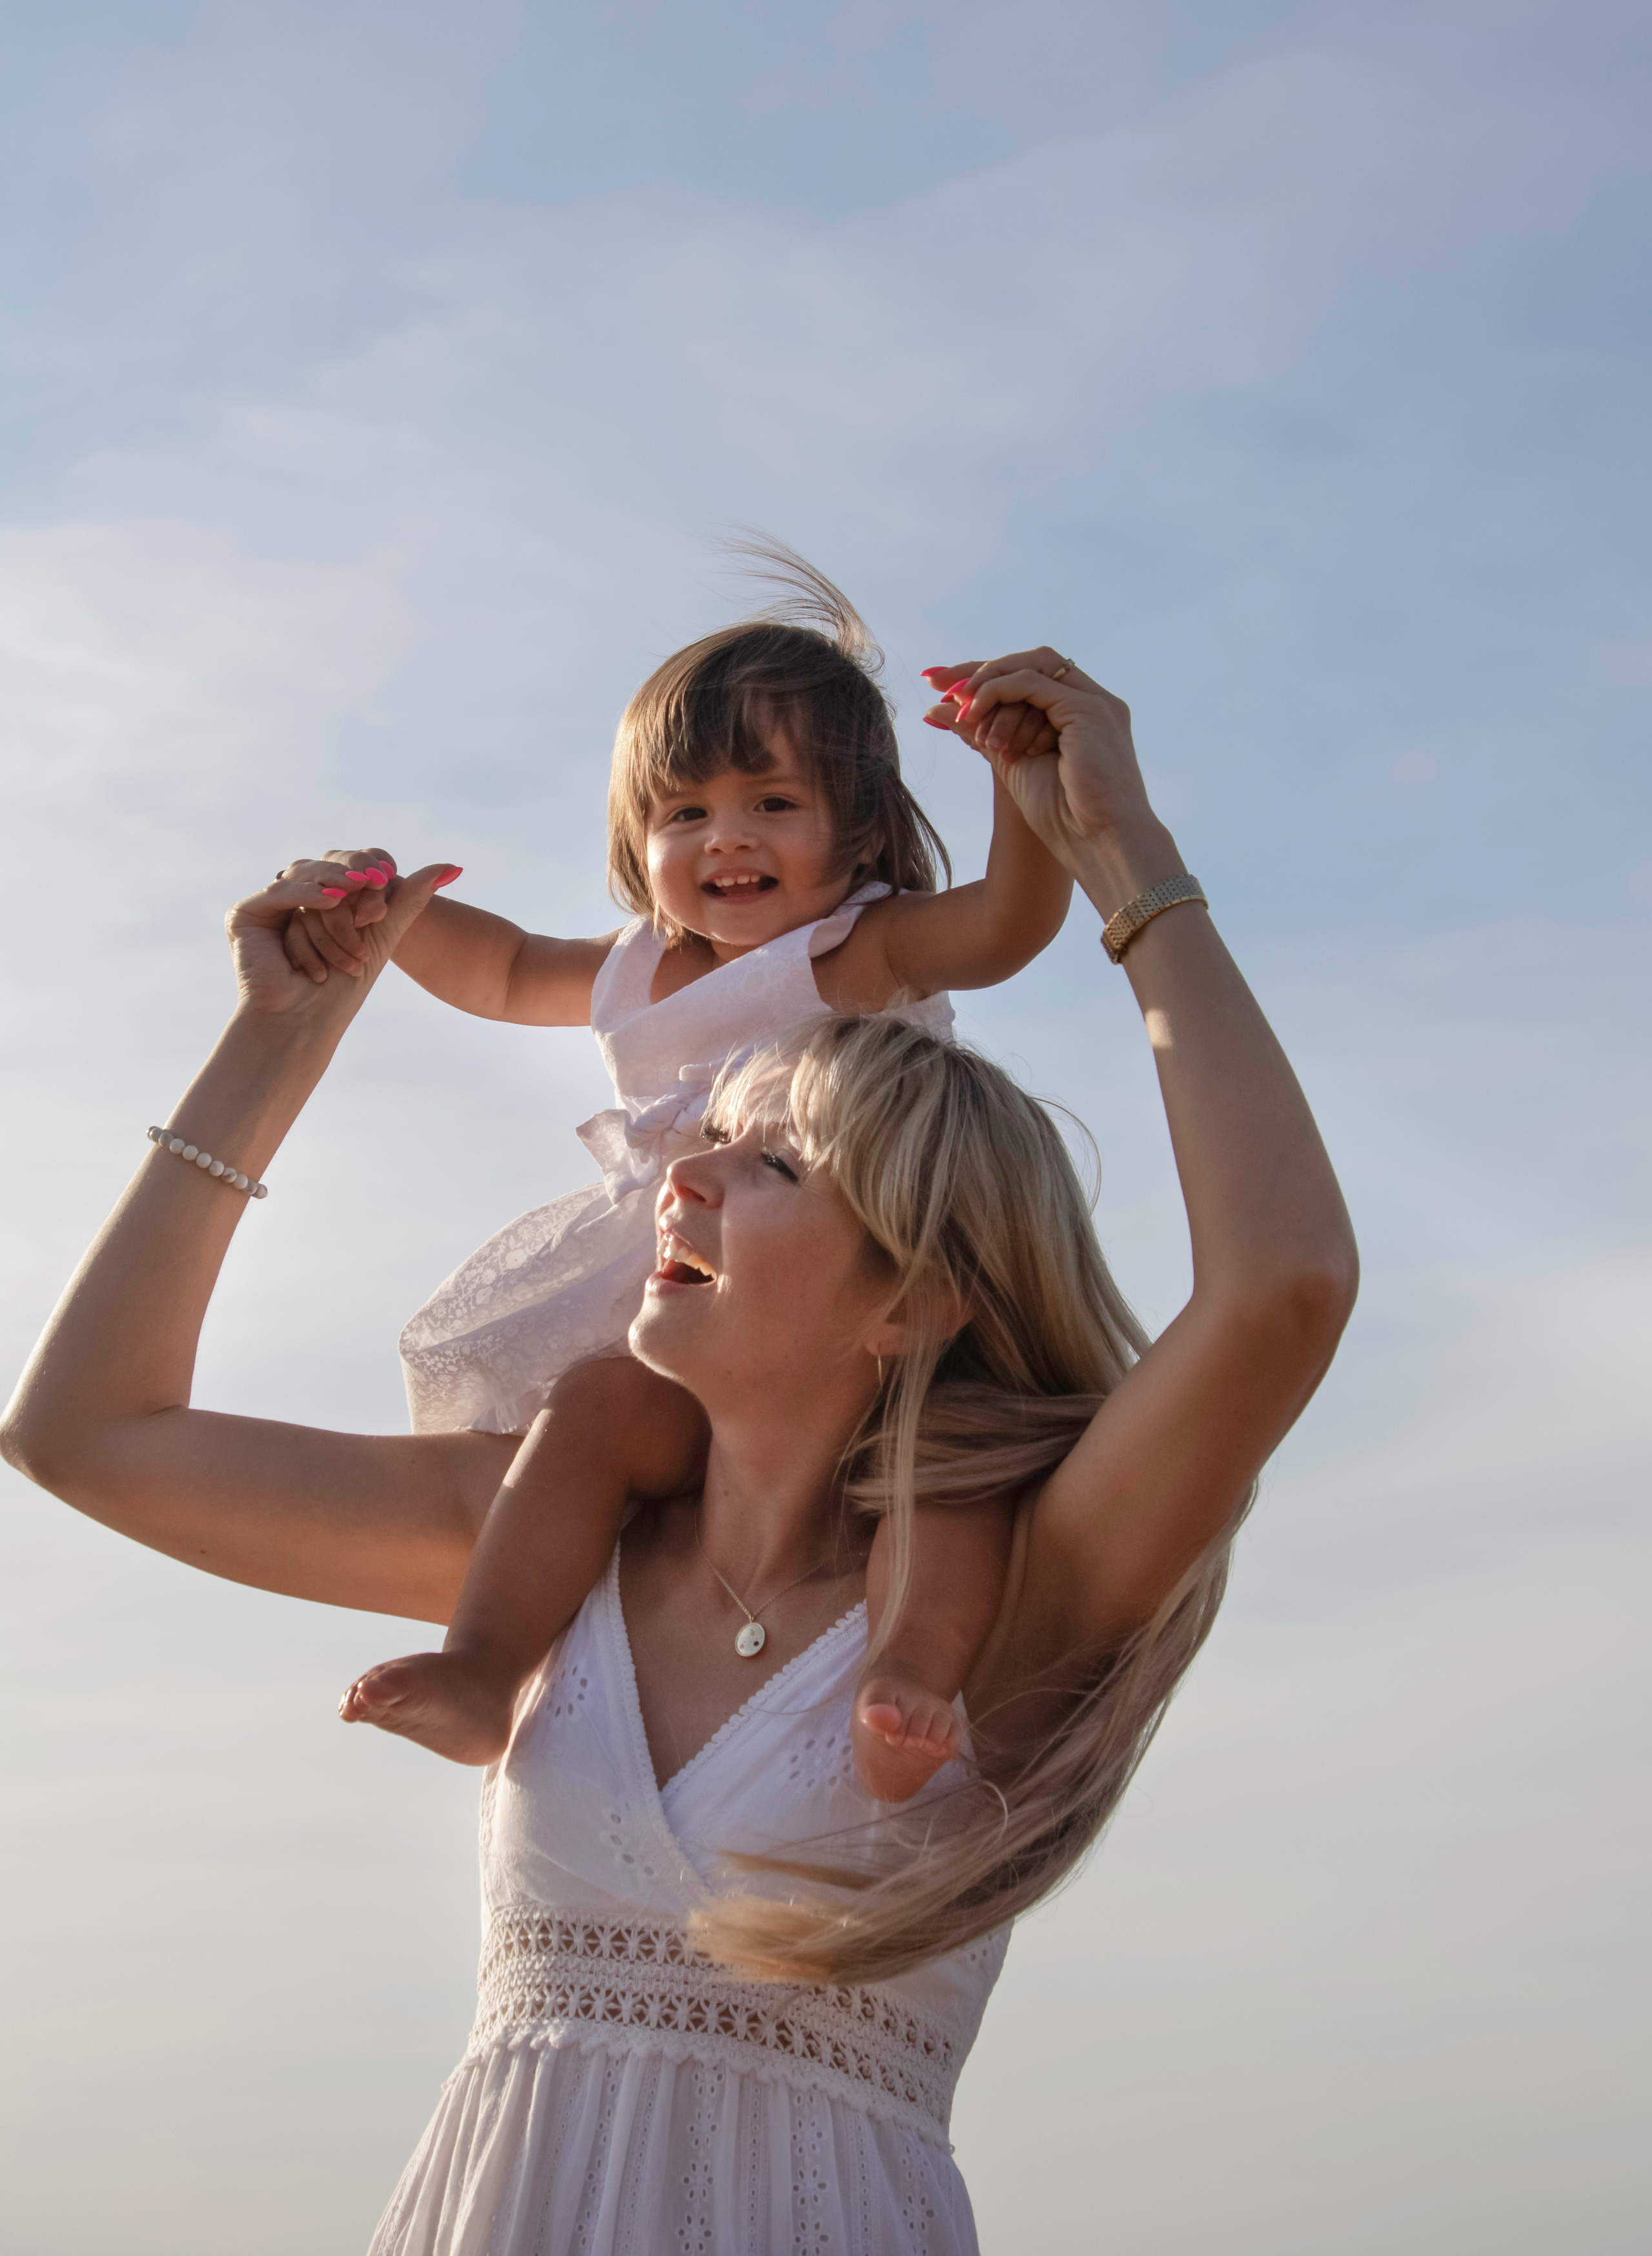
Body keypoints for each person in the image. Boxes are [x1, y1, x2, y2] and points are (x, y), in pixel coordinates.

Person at [3, 645, 1358, 2256]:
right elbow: (80, 1433)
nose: (679, 1184)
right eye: (699, 1145)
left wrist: (1120, 853)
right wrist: (287, 1031)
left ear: (915, 1291)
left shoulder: (1014, 1588)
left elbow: (1282, 1284)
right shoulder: (549, 1535)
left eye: (767, 1159)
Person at [277, 552, 1073, 1800]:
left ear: (857, 828)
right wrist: (386, 910)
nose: (725, 840)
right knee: (587, 1416)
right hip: (689, 1295)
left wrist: (1021, 783)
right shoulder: (632, 968)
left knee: (940, 1470)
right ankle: (486, 1670)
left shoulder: (856, 947)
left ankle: (911, 1674)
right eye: (683, 813)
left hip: (859, 1305)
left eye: (771, 803)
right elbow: (498, 970)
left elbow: (1007, 929)